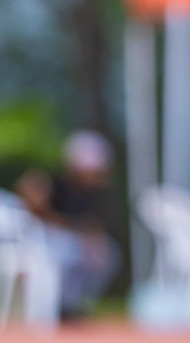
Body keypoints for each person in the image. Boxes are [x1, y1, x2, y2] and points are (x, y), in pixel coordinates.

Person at [16, 130, 119, 320]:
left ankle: (74, 304)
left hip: (76, 242)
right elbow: (31, 196)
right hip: (45, 241)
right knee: (70, 253)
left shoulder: (96, 195)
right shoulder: (54, 182)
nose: (91, 175)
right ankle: (57, 305)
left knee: (104, 254)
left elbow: (92, 225)